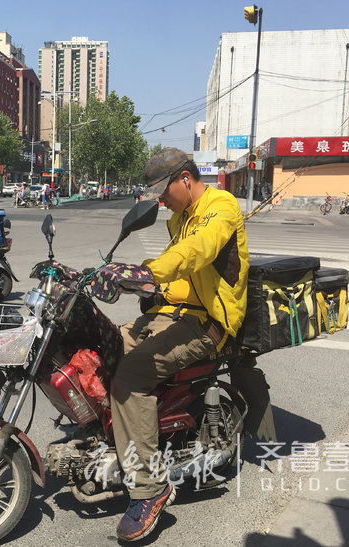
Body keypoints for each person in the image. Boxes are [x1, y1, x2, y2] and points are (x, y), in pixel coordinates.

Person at [110, 148, 249, 541]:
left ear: (185, 179)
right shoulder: (178, 218)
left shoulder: (221, 206)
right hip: (177, 312)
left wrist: (148, 270)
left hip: (210, 323)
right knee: (106, 345)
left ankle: (150, 489)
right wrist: (136, 280)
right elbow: (183, 274)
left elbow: (196, 252)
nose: (161, 200)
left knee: (130, 377)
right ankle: (127, 431)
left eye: (163, 190)